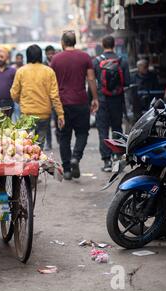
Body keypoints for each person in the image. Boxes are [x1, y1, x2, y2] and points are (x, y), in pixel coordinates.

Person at [51, 30, 99, 180]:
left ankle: (66, 170)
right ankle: (76, 158)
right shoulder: (85, 57)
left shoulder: (56, 59)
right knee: (82, 133)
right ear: (75, 42)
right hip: (81, 101)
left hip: (62, 104)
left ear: (63, 42)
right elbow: (91, 79)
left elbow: (52, 83)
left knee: (64, 136)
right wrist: (95, 98)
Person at [10, 44, 65, 152]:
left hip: (27, 114)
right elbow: (54, 95)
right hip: (44, 114)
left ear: (27, 56)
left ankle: (29, 165)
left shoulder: (21, 71)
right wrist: (60, 114)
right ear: (41, 56)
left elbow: (14, 93)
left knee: (27, 144)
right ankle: (38, 165)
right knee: (40, 144)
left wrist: (21, 102)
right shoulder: (49, 71)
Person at [93, 35, 130, 172]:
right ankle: (118, 158)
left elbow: (93, 81)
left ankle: (106, 161)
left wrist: (93, 99)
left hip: (102, 100)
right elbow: (127, 82)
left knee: (103, 130)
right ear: (114, 45)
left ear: (103, 45)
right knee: (117, 129)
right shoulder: (122, 61)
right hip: (117, 100)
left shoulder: (96, 62)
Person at [44, 45, 59, 150]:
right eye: (49, 54)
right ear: (46, 54)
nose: (50, 56)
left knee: (58, 118)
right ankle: (48, 143)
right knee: (47, 122)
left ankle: (58, 134)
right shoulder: (43, 65)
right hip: (46, 97)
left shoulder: (58, 63)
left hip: (57, 95)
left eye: (52, 53)